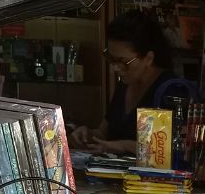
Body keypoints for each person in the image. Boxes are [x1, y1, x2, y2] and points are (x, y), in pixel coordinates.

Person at [69, 11, 196, 155]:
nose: (116, 68)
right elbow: (104, 133)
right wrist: (88, 135)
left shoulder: (172, 89)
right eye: (111, 59)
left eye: (123, 62)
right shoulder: (125, 83)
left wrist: (124, 146)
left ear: (148, 58)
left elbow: (170, 149)